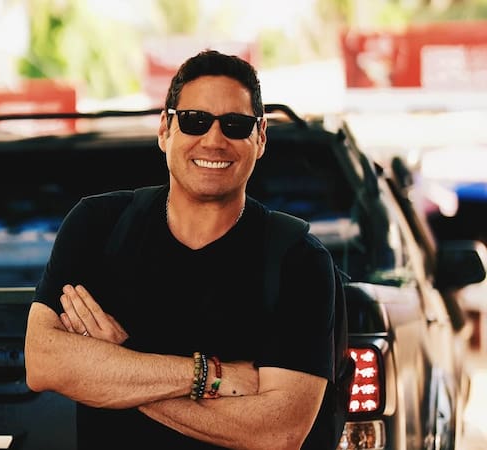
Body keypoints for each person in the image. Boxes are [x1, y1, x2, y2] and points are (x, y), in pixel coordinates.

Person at [24, 49, 336, 450]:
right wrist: (209, 375)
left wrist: (113, 364)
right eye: (194, 121)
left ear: (260, 137)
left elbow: (277, 432)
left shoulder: (297, 259)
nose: (214, 140)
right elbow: (43, 361)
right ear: (164, 129)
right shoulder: (98, 225)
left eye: (235, 125)